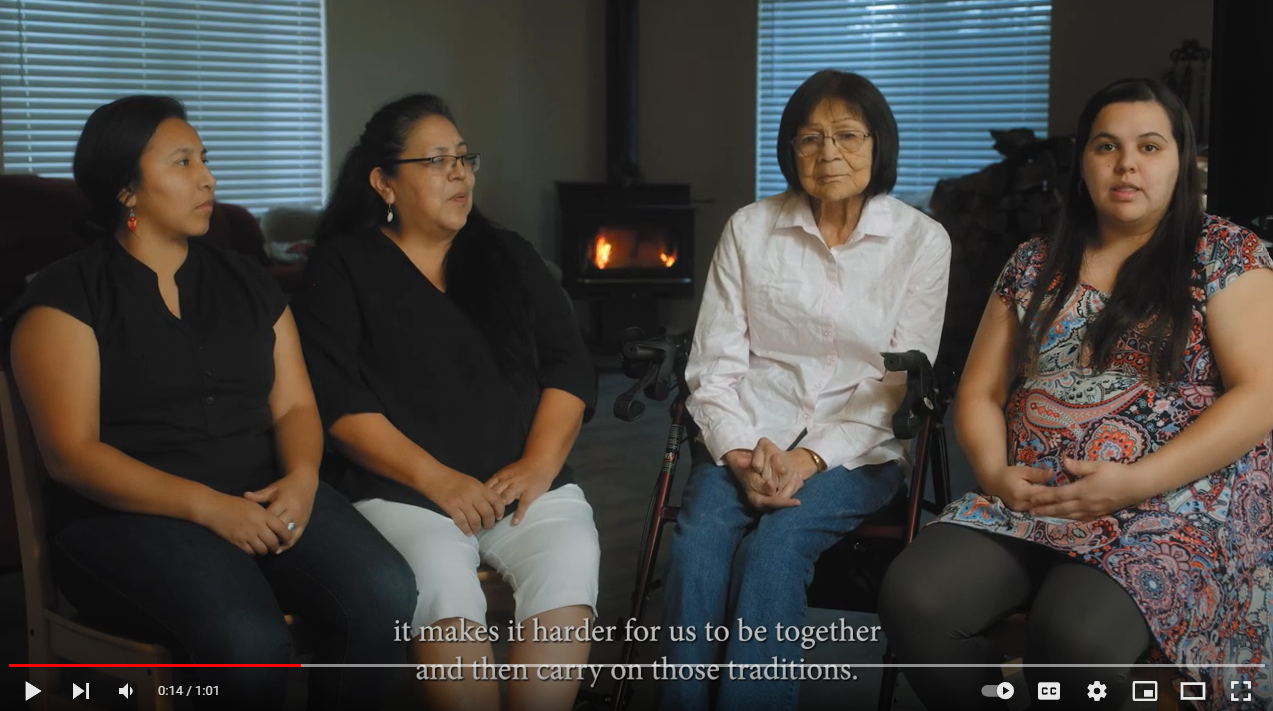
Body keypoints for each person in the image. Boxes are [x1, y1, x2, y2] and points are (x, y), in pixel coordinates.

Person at [0, 96, 418, 711]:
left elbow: (297, 407)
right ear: (127, 190)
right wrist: (208, 509)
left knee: (385, 591)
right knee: (248, 645)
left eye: (205, 159)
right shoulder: (67, 298)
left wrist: (302, 479)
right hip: (127, 519)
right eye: (182, 162)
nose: (208, 177)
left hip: (263, 496)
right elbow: (72, 455)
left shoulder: (247, 280)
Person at [878, 78, 1273, 710]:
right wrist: (996, 473)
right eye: (1106, 147)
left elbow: (1260, 396)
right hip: (1031, 498)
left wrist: (1136, 482)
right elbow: (979, 391)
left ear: (1180, 159)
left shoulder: (1225, 253)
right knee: (914, 599)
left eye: (1150, 147)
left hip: (1170, 507)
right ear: (1082, 163)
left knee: (1072, 637)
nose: (1127, 165)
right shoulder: (1035, 262)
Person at [291, 93, 600, 711]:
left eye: (464, 158)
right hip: (403, 492)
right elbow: (336, 402)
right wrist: (440, 481)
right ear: (384, 182)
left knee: (571, 554)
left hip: (521, 483)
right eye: (437, 161)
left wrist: (539, 465)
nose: (460, 173)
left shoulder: (507, 254)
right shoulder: (343, 266)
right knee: (438, 576)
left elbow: (569, 364)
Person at [659, 69, 951, 711]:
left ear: (880, 145)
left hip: (858, 449)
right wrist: (738, 451)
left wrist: (807, 459)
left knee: (777, 548)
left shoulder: (920, 242)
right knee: (701, 539)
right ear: (789, 150)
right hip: (746, 432)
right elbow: (714, 364)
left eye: (847, 135)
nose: (829, 154)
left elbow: (897, 386)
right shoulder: (749, 229)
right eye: (810, 139)